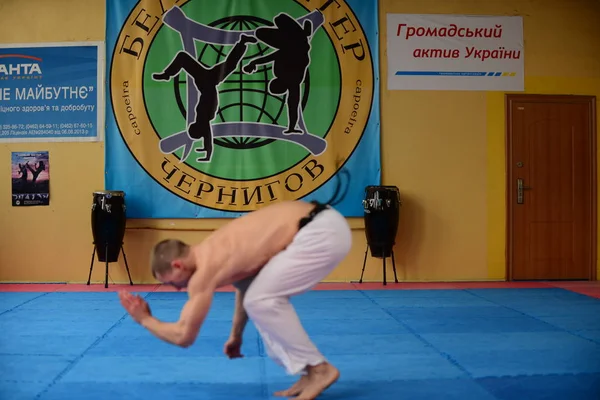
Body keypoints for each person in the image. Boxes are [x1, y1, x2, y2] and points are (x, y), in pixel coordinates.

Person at [118, 200, 352, 400]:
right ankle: (308, 371)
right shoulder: (216, 249)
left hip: (319, 231)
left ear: (177, 265)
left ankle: (320, 369)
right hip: (324, 224)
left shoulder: (203, 272)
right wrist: (236, 336)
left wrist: (144, 319)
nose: (178, 289)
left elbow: (183, 336)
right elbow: (246, 287)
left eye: (172, 282)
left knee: (262, 300)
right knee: (258, 297)